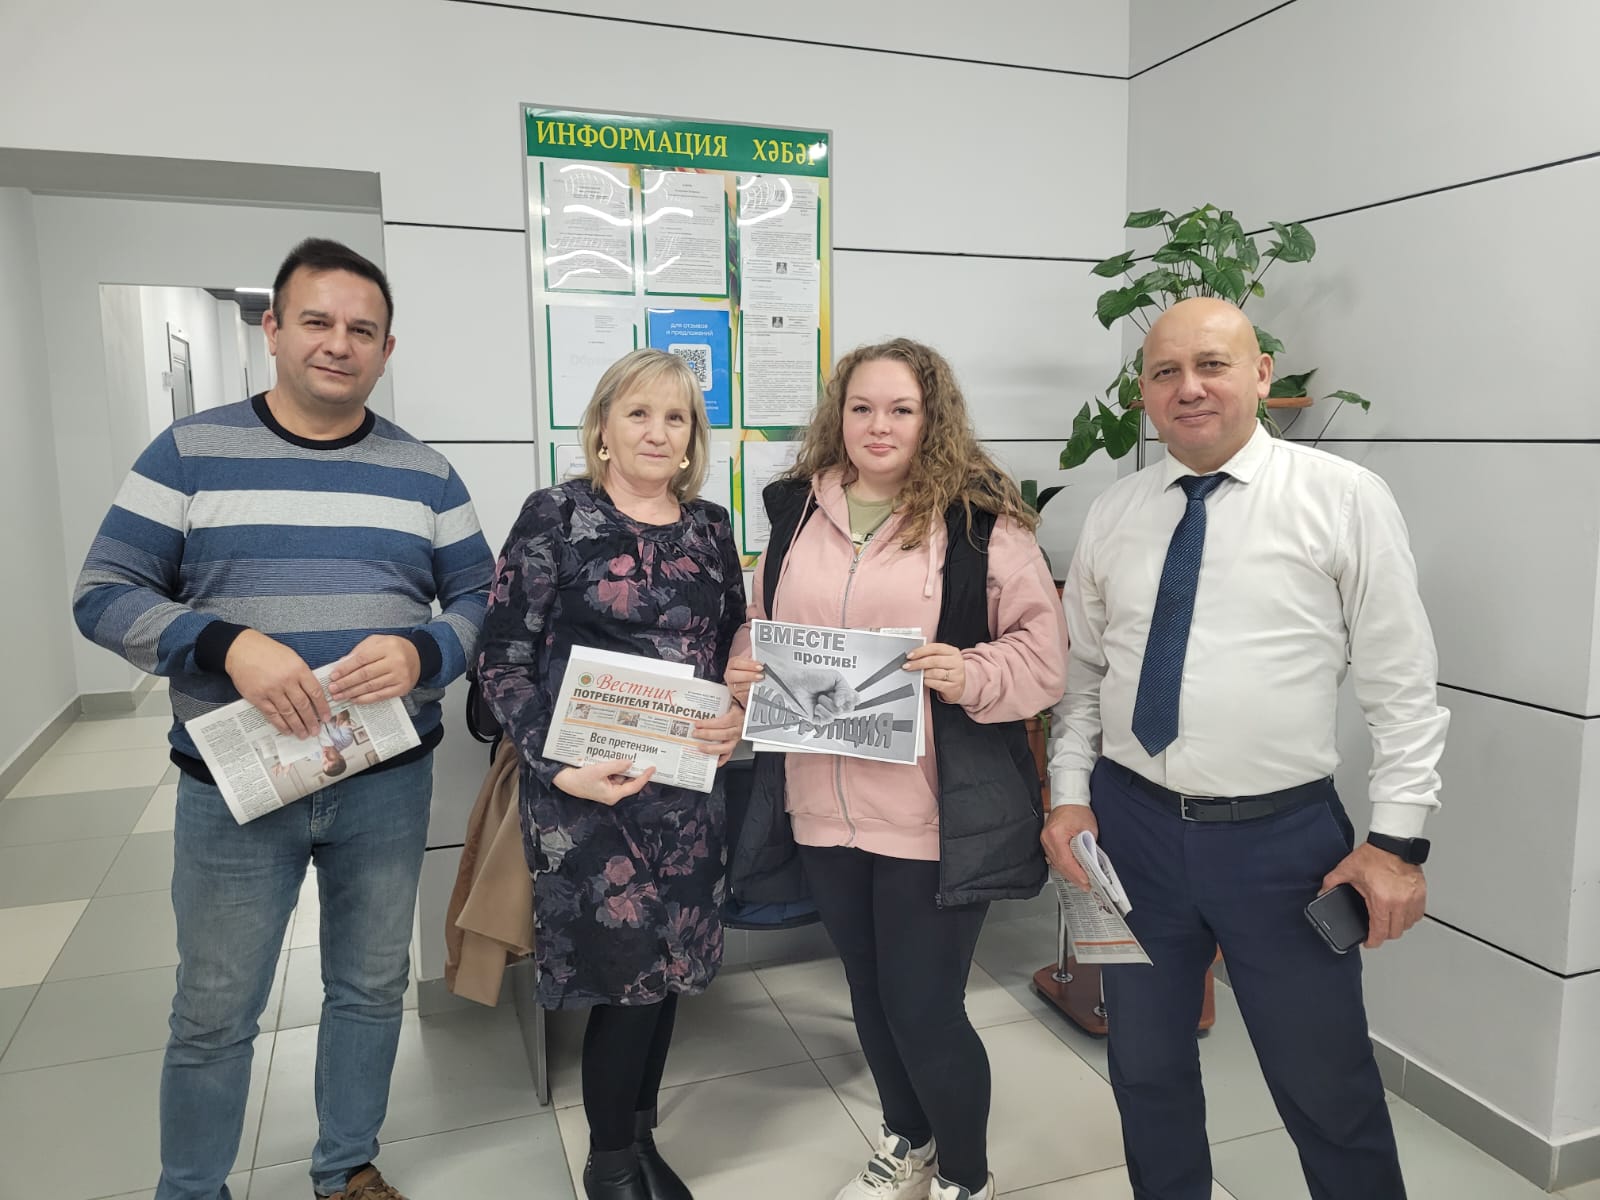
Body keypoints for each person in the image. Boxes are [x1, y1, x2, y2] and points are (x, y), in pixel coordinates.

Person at [73, 238, 494, 1200]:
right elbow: (102, 594)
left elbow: (482, 598)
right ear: (273, 329)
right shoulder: (189, 454)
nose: (338, 344)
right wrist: (225, 644)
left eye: (362, 330)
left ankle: (346, 1168)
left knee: (369, 989)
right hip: (235, 787)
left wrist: (427, 651)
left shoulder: (425, 473)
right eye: (317, 321)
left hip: (382, 780)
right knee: (215, 1009)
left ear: (387, 350)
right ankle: (193, 1188)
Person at [1043, 297, 1450, 1200]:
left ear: (1261, 375)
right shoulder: (1116, 512)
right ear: (1144, 392)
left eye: (1212, 365)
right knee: (1145, 1071)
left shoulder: (1342, 498)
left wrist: (1397, 842)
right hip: (1130, 838)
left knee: (1327, 1086)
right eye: (1165, 372)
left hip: (1282, 848)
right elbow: (1084, 676)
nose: (1189, 388)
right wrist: (1068, 794)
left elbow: (1402, 684)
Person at [725, 338, 1068, 1200]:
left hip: (929, 812)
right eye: (863, 408)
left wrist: (971, 671)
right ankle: (908, 1140)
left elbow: (1044, 657)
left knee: (924, 1005)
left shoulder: (982, 523)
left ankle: (965, 1178)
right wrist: (745, 664)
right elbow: (761, 622)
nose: (879, 426)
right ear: (838, 416)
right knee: (870, 993)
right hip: (822, 802)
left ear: (931, 418)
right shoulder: (795, 513)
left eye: (901, 409)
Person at [475, 348, 745, 1200]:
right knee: (626, 979)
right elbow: (501, 660)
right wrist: (560, 768)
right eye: (638, 413)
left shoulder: (711, 528)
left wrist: (738, 709)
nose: (657, 432)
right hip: (587, 796)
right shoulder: (555, 516)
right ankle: (610, 1164)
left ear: (692, 436)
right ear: (601, 427)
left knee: (670, 971)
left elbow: (732, 645)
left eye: (676, 417)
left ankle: (640, 1134)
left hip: (686, 795)